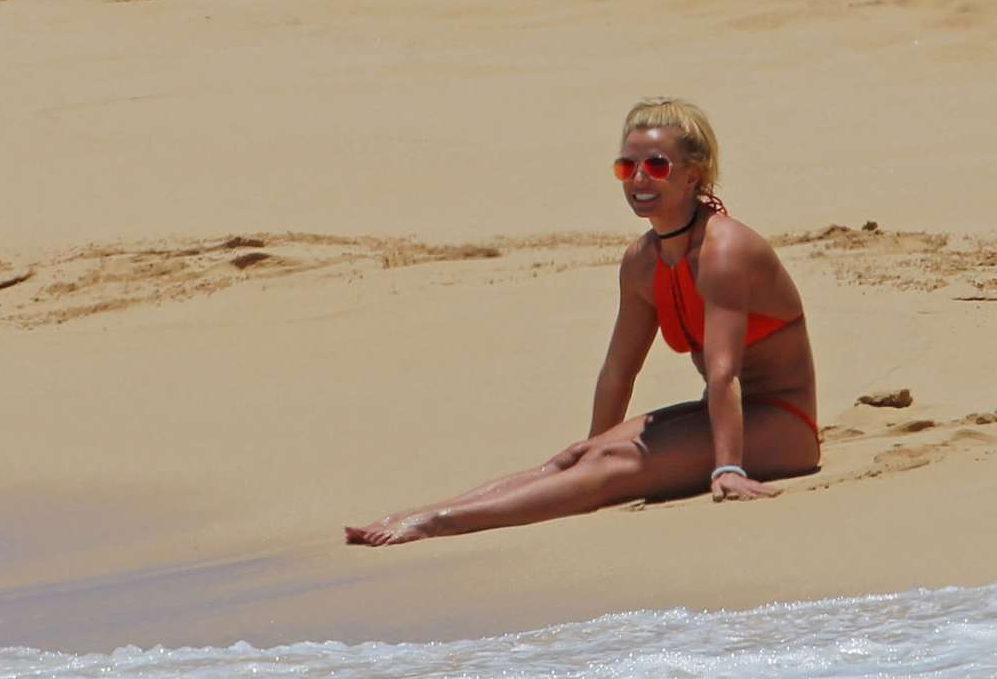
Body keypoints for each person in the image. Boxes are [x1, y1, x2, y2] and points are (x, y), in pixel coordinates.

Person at [344, 98, 820, 546]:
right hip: (725, 413)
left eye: (656, 166)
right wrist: (593, 448)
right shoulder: (642, 261)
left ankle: (433, 525)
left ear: (694, 175)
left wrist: (727, 469)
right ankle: (420, 512)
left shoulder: (725, 249)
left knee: (610, 468)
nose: (639, 179)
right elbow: (619, 371)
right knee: (577, 457)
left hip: (782, 424)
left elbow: (723, 371)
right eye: (626, 167)